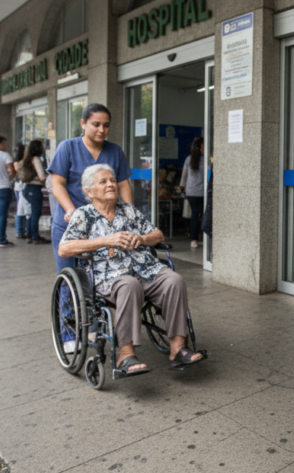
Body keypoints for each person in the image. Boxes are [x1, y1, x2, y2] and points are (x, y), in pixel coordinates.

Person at [58, 164, 204, 374]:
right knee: (129, 284)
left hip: (145, 268)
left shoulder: (128, 210)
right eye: (103, 181)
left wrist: (142, 238)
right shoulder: (83, 215)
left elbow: (158, 235)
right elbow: (64, 248)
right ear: (89, 192)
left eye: (112, 180)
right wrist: (106, 241)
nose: (110, 184)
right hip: (110, 277)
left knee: (174, 280)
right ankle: (125, 355)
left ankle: (178, 348)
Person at [49, 103, 132, 272]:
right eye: (96, 124)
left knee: (105, 276)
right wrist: (71, 211)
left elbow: (123, 184)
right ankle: (67, 300)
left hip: (105, 226)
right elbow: (57, 184)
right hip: (70, 224)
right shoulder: (67, 147)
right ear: (83, 124)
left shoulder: (115, 151)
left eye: (106, 125)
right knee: (70, 276)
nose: (101, 129)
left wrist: (129, 213)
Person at [19, 139, 50, 244]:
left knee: (30, 214)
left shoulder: (27, 159)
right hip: (34, 189)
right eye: (42, 146)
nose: (44, 148)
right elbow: (41, 176)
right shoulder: (36, 159)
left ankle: (29, 235)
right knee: (36, 213)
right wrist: (49, 178)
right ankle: (35, 236)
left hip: (26, 188)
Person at [180, 137, 205, 248]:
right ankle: (197, 237)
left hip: (191, 192)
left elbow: (184, 176)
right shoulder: (207, 159)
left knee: (196, 215)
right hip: (201, 192)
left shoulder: (188, 159)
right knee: (199, 215)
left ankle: (194, 239)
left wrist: (182, 187)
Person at [13, 143, 27, 239]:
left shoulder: (17, 162)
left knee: (21, 208)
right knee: (21, 208)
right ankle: (20, 230)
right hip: (20, 186)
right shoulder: (19, 162)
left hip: (18, 185)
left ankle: (21, 230)